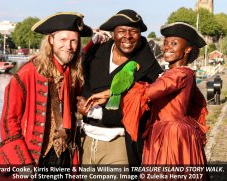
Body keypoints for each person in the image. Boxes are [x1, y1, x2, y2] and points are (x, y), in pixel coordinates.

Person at [85, 22, 210, 180]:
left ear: (187, 49)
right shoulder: (186, 74)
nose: (166, 47)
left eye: (174, 43)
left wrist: (110, 93)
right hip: (174, 131)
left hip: (169, 136)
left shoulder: (177, 74)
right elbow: (198, 103)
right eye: (165, 43)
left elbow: (147, 92)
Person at [0, 12, 92, 179]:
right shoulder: (27, 74)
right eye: (63, 40)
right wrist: (22, 164)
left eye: (74, 40)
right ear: (51, 40)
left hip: (64, 158)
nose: (69, 46)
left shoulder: (74, 75)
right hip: (33, 158)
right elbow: (9, 121)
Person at [77, 9, 162, 171]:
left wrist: (96, 113)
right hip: (86, 142)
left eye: (134, 31)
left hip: (121, 145)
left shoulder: (149, 66)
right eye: (121, 31)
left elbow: (143, 111)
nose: (128, 36)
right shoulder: (97, 52)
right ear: (113, 33)